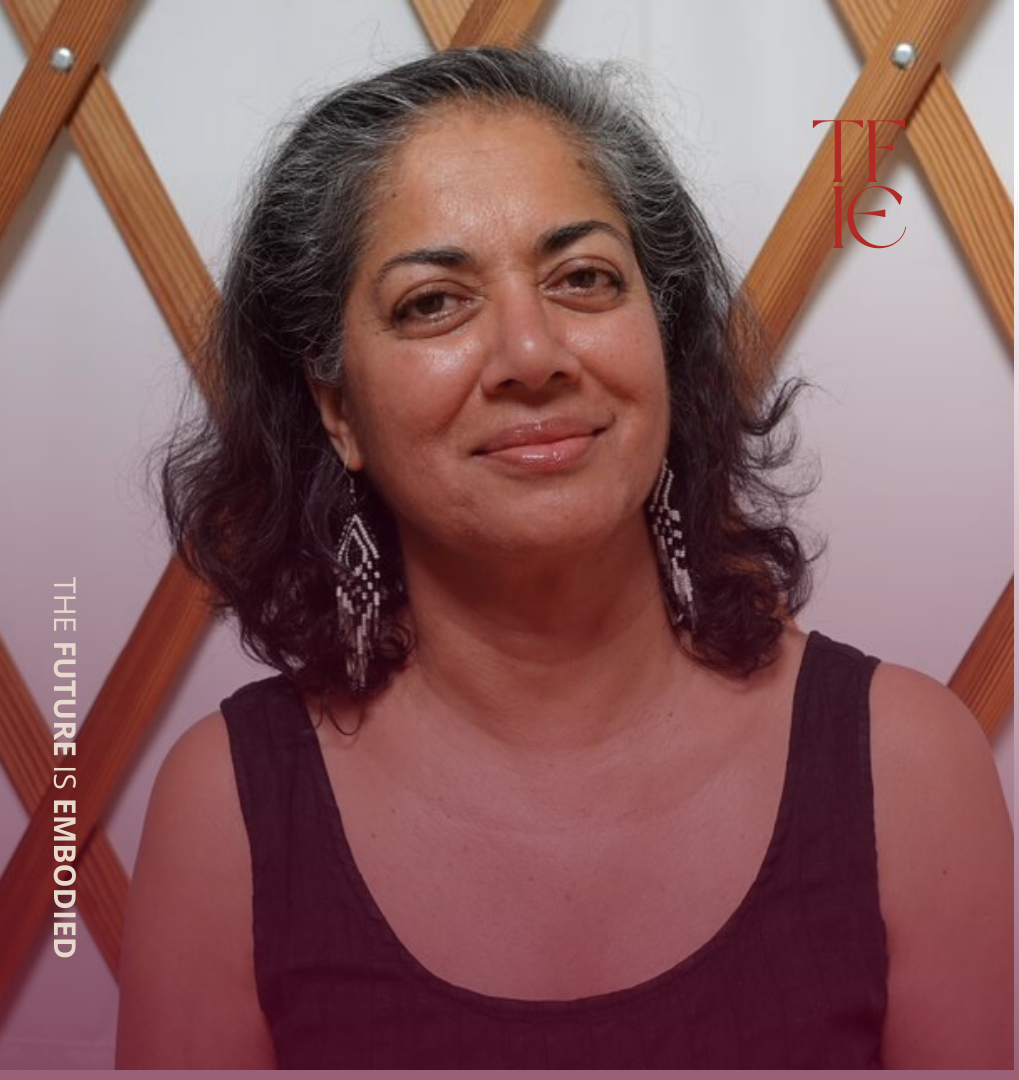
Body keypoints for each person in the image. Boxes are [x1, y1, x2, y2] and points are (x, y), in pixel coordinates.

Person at [115, 47, 1012, 1069]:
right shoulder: (228, 810)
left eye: (583, 279)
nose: (533, 355)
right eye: (433, 302)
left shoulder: (905, 767)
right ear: (337, 409)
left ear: (663, 342)